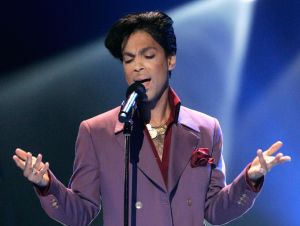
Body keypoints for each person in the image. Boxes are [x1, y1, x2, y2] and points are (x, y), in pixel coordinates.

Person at [13, 11, 291, 226]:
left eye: (148, 55)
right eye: (128, 58)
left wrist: (250, 180)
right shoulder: (96, 131)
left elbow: (215, 211)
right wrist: (47, 184)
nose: (137, 66)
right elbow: (81, 212)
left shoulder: (207, 129)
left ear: (170, 60)